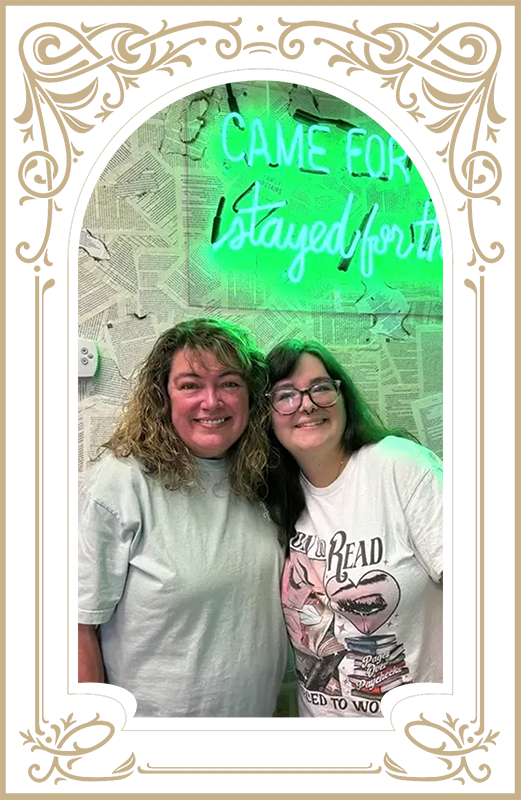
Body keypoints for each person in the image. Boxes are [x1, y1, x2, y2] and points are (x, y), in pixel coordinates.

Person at [73, 317, 289, 723]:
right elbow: (77, 628)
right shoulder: (125, 481)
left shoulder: (265, 479)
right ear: (164, 396)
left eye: (229, 383)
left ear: (251, 397)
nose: (212, 402)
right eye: (190, 385)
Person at [263, 339, 447, 724]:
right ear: (267, 413)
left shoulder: (398, 465)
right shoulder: (276, 502)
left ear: (342, 396)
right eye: (286, 395)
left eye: (321, 388)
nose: (307, 404)